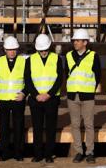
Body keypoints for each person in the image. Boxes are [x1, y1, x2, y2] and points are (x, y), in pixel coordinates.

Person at [28, 33, 65, 162]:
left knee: (50, 128)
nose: (43, 52)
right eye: (41, 50)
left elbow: (59, 79)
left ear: (49, 47)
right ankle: (38, 154)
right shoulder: (30, 60)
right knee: (37, 128)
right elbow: (28, 80)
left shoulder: (56, 58)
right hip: (36, 100)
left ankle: (49, 154)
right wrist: (36, 95)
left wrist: (48, 94)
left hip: (51, 99)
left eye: (45, 49)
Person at [62, 29, 98, 163]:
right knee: (75, 125)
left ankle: (90, 152)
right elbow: (67, 74)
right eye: (74, 41)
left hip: (87, 96)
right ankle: (79, 151)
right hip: (72, 96)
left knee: (89, 125)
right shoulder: (68, 56)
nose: (75, 43)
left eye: (78, 40)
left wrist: (89, 89)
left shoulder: (93, 56)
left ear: (85, 42)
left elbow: (98, 75)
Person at [0, 35, 29, 162]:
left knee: (18, 126)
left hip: (18, 99)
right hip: (2, 99)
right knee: (3, 127)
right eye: (9, 49)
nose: (12, 52)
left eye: (14, 49)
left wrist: (24, 93)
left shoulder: (23, 61)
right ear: (5, 50)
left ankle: (18, 152)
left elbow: (29, 80)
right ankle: (4, 152)